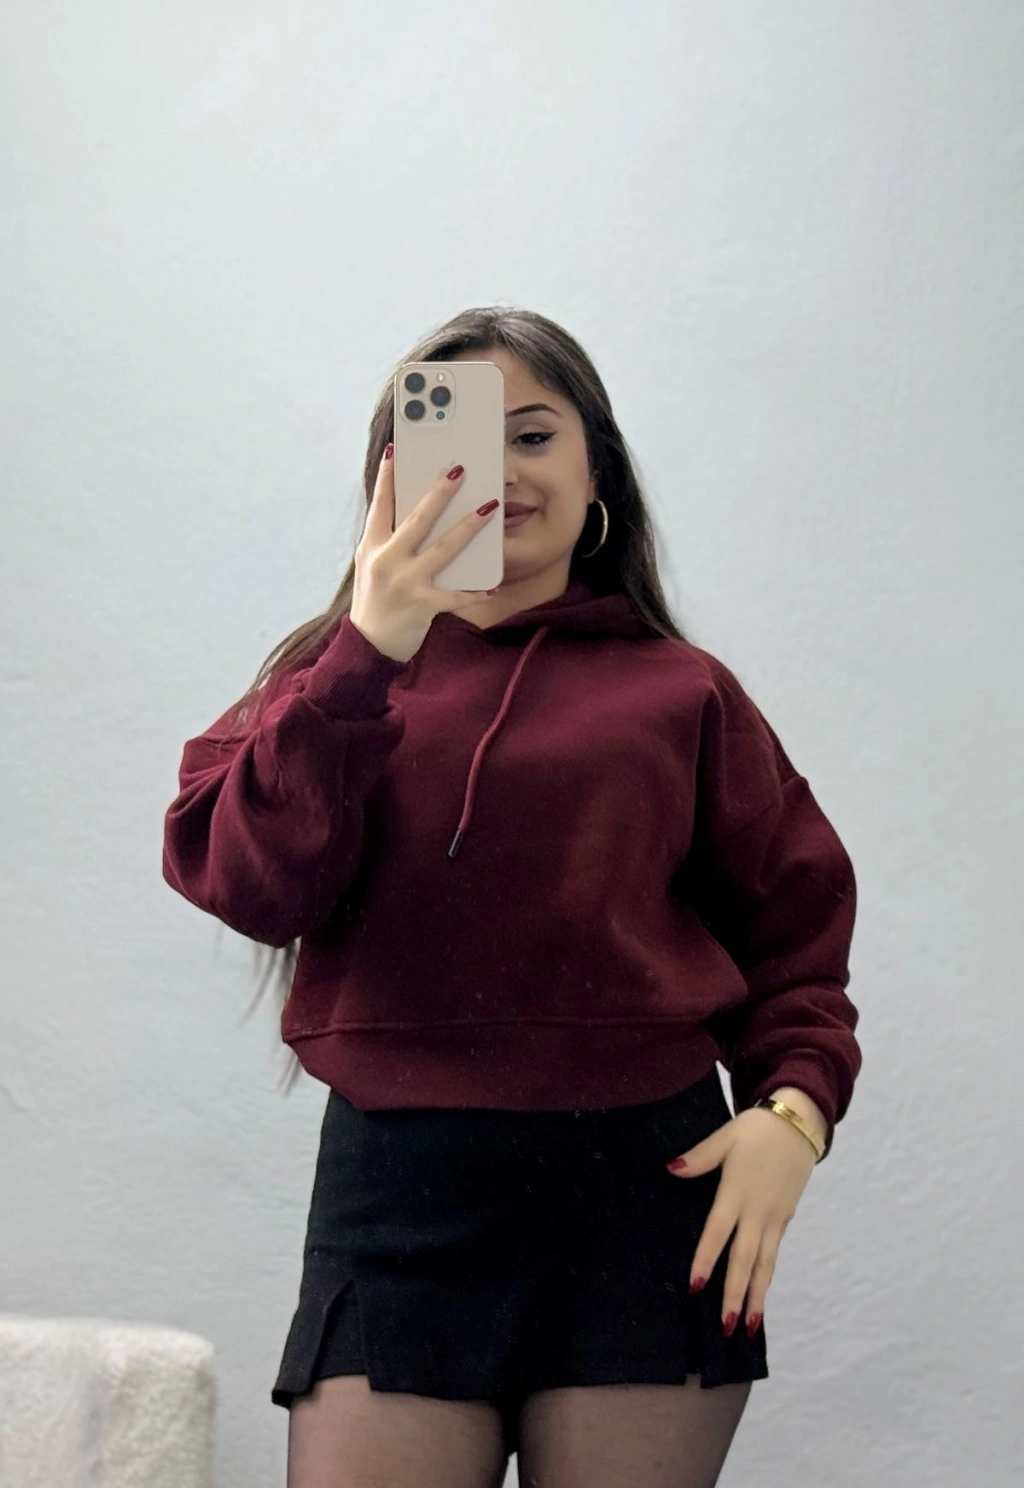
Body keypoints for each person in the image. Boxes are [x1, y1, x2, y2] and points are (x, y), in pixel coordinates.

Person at [162, 306, 860, 1488]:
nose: (499, 473)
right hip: (399, 1195)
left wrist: (792, 1113)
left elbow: (796, 936)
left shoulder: (682, 692)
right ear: (395, 475)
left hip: (648, 1191)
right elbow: (244, 881)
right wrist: (367, 653)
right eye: (458, 443)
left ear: (598, 470)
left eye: (533, 435)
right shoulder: (324, 681)